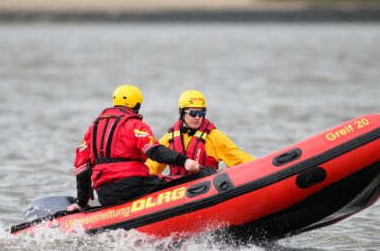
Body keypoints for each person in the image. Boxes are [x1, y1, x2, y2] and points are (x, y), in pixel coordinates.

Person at [66, 85, 200, 211]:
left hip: (105, 194)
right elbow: (154, 150)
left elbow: (81, 169)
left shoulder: (92, 129)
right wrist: (185, 161)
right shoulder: (134, 124)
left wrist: (82, 203)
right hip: (134, 185)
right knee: (183, 180)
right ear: (137, 105)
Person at [147, 90, 255, 179]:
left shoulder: (215, 137)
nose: (197, 117)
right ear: (182, 113)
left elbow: (241, 160)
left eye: (201, 113)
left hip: (206, 188)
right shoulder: (169, 139)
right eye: (193, 113)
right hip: (177, 191)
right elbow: (150, 168)